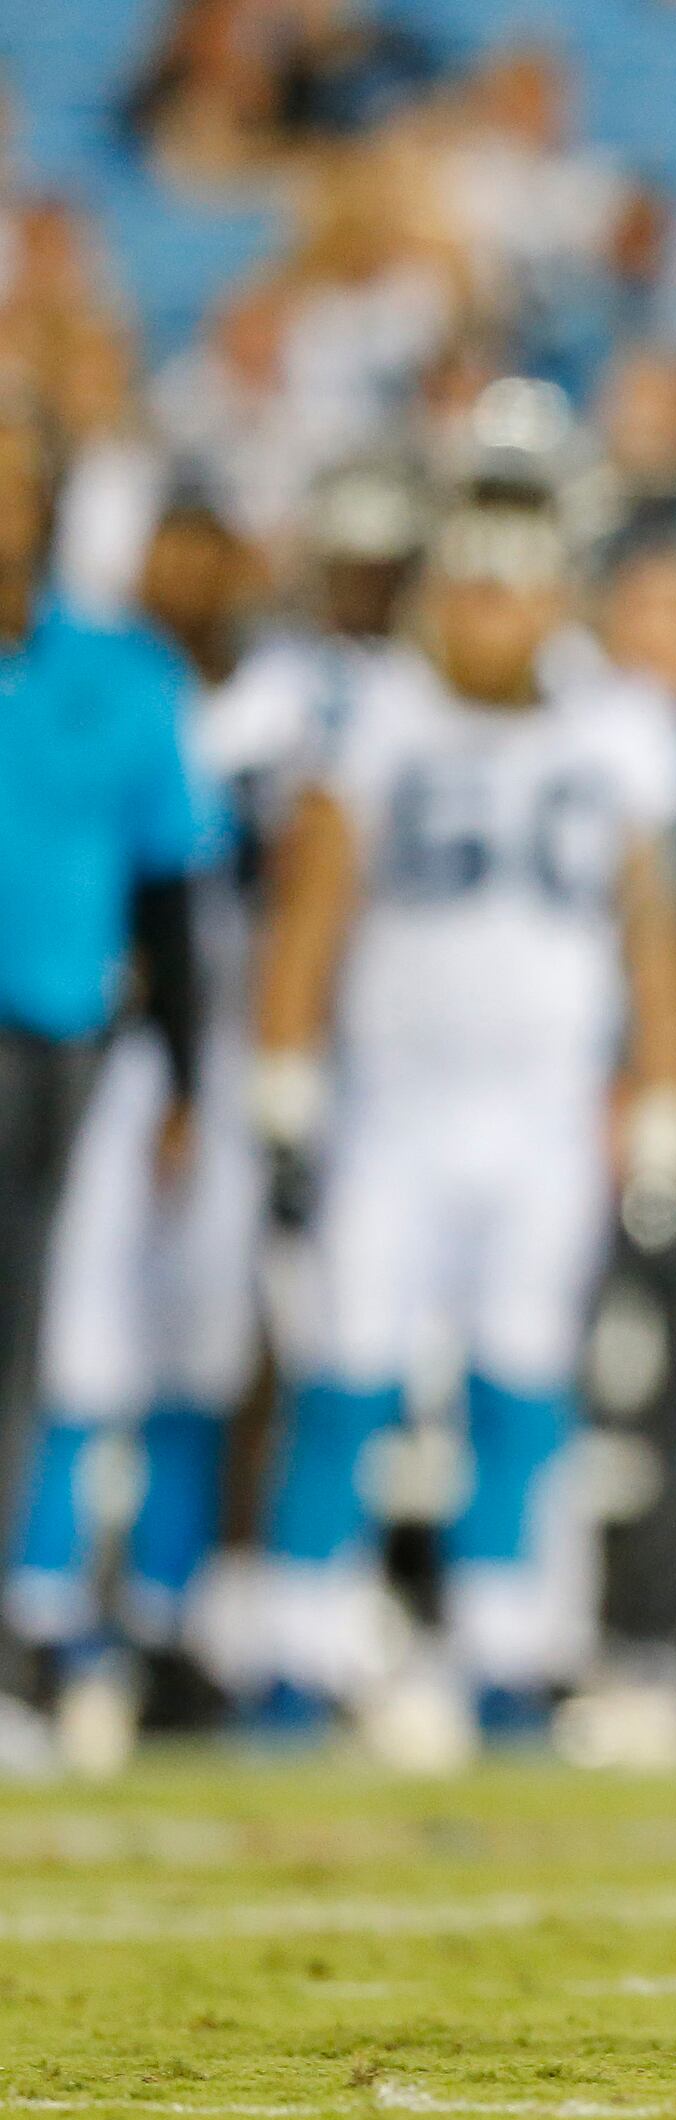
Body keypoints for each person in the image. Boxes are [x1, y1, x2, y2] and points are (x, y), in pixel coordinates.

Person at [242, 484, 676, 1743]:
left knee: (522, 1378)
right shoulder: (376, 718)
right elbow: (312, 910)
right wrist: (281, 1079)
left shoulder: (617, 731)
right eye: (470, 589)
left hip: (544, 1115)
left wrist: (667, 1101)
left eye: (511, 591)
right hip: (396, 1107)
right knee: (346, 1370)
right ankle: (297, 1647)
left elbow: (655, 935)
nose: (489, 618)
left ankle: (506, 1648)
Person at [9, 494, 270, 1759]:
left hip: (171, 1056)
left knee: (181, 1353)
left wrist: (199, 1079)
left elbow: (204, 893)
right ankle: (46, 1615)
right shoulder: (125, 680)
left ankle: (155, 1623)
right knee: (76, 1346)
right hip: (117, 1053)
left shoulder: (275, 695)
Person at [0, 395, 201, 1747]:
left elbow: (172, 890)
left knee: (19, 1334)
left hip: (45, 1032)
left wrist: (187, 1072)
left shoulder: (123, 674)